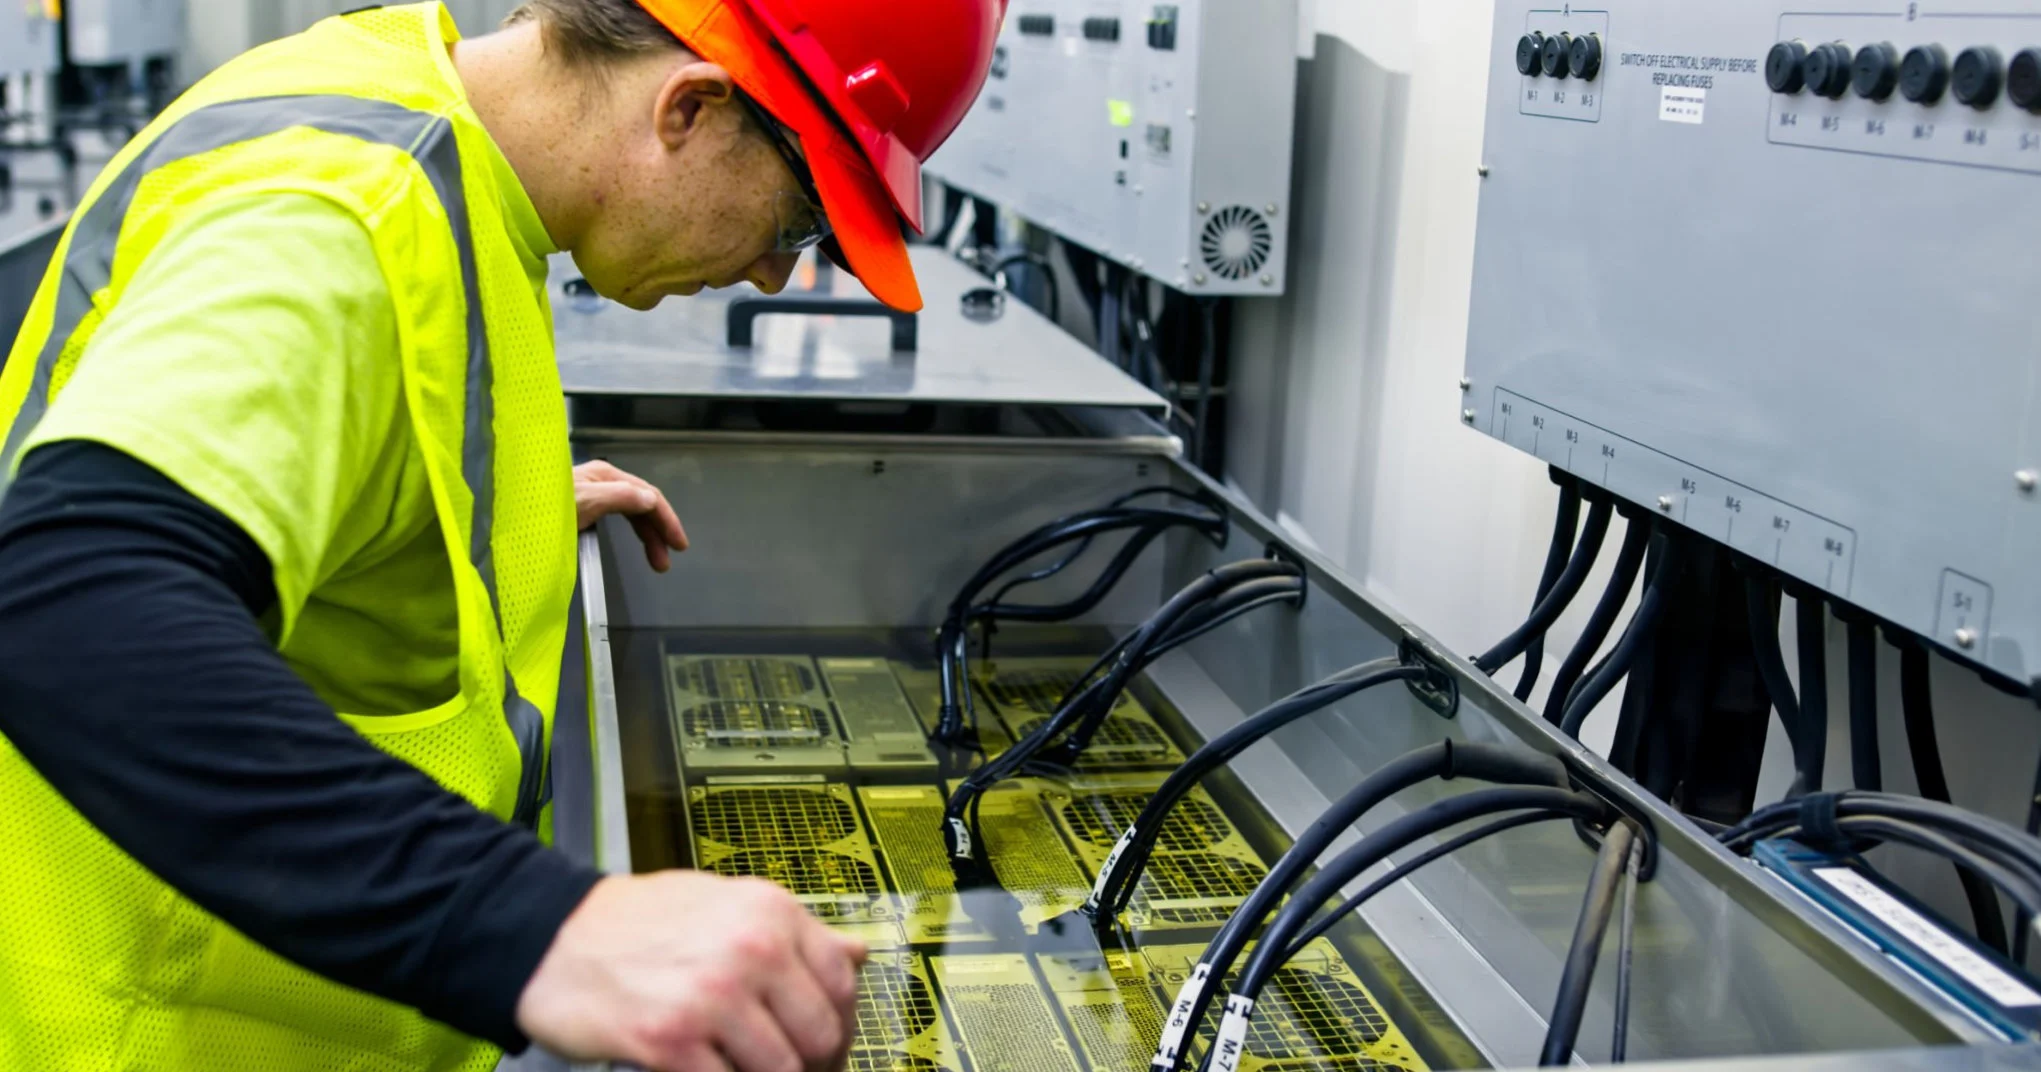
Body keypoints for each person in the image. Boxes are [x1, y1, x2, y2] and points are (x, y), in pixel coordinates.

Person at [0, 1, 1000, 1070]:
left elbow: (313, 412)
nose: (774, 273)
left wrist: (421, 509)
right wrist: (538, 925)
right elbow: (68, 591)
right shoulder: (345, 218)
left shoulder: (422, 112)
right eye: (800, 220)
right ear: (691, 107)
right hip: (156, 1029)